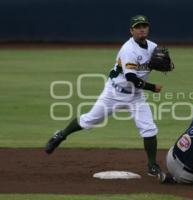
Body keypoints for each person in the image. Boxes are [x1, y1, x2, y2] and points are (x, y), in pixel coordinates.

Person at [45, 15, 170, 176]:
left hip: (136, 96)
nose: (141, 29)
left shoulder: (153, 46)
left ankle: (152, 166)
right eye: (138, 27)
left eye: (144, 26)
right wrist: (153, 87)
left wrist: (165, 63)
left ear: (148, 28)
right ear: (131, 30)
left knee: (149, 128)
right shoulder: (128, 49)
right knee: (89, 120)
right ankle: (61, 135)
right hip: (114, 92)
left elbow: (162, 61)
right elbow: (131, 78)